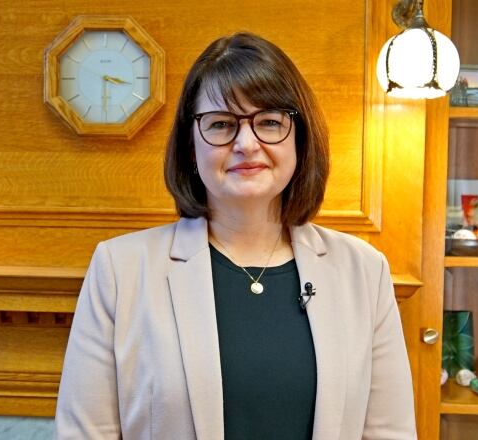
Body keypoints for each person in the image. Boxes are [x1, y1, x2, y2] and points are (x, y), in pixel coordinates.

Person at [54, 32, 416, 440]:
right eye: (222, 124)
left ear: (299, 138)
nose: (247, 143)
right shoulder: (120, 270)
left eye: (269, 122)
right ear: (192, 147)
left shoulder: (363, 271)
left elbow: (390, 433)